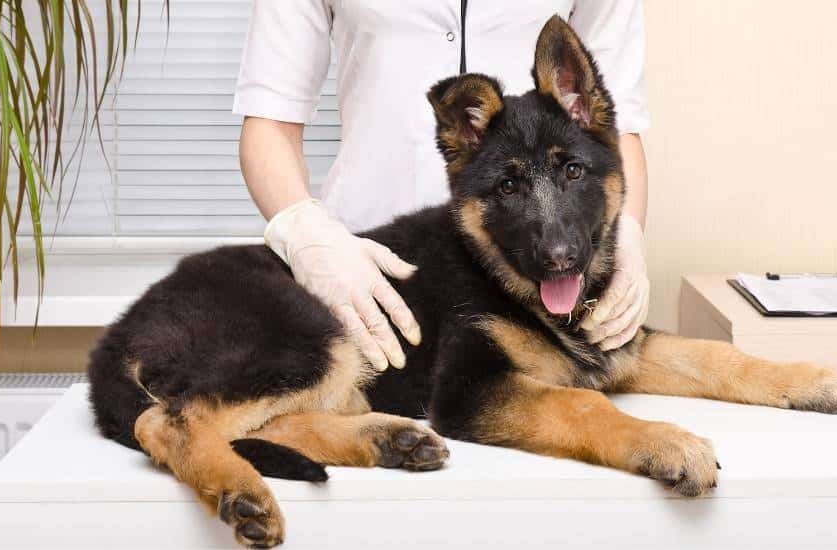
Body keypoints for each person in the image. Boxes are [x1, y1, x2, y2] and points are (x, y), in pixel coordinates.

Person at [233, 1, 651, 372]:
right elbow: (270, 120)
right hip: (367, 266)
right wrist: (308, 234)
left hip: (532, 278)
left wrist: (627, 234)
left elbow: (615, 124)